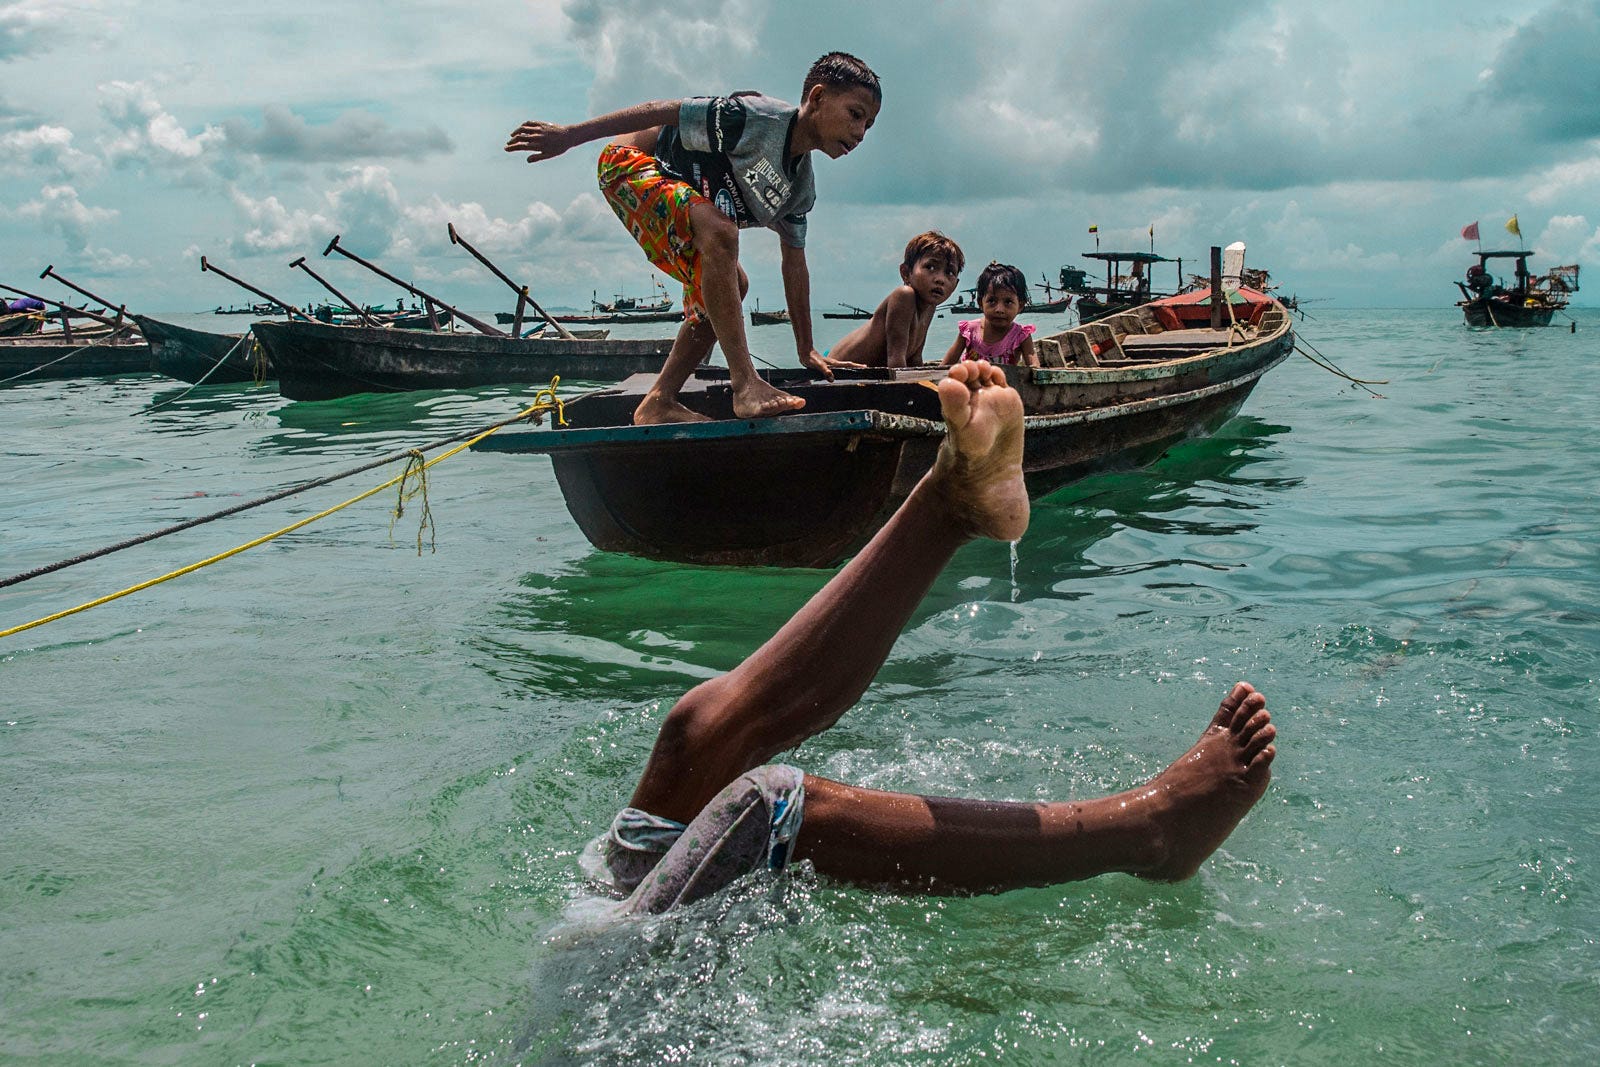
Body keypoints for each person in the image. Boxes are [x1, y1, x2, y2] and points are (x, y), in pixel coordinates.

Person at [587, 360, 1278, 914]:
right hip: (602, 1001)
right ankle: (1148, 833)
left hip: (594, 918)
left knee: (697, 730)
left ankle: (954, 501)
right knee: (766, 809)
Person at [505, 52, 883, 425]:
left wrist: (807, 349)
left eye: (868, 125)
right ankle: (745, 384)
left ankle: (658, 400)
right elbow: (661, 109)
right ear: (817, 98)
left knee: (733, 283)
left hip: (682, 200)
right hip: (629, 162)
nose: (860, 133)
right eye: (855, 115)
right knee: (721, 231)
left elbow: (794, 261)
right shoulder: (755, 119)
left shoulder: (798, 189)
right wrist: (570, 135)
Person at [825, 231, 963, 368]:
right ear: (906, 273)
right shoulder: (904, 295)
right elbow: (895, 361)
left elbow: (915, 359)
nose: (940, 279)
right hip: (837, 367)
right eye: (930, 267)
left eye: (949, 272)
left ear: (955, 285)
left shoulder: (930, 306)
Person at [942, 261, 1039, 367]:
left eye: (1008, 302)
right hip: (969, 383)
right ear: (980, 303)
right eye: (992, 301)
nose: (999, 309)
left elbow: (1035, 368)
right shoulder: (969, 331)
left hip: (1005, 383)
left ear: (1020, 306)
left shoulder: (1020, 335)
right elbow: (945, 366)